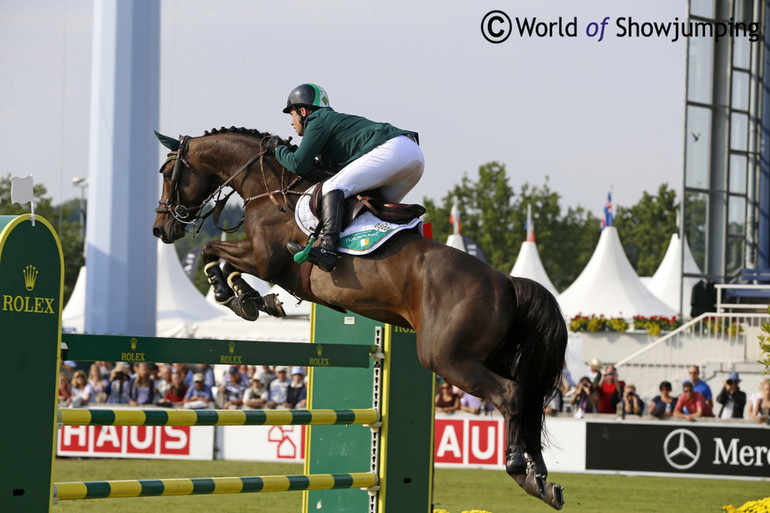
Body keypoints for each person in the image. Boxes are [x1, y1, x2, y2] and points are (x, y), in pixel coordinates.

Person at [268, 83, 425, 272]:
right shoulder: (329, 124)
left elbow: (297, 164)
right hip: (413, 157)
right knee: (372, 213)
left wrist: (278, 148)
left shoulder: (317, 118)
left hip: (394, 150)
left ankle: (327, 250)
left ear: (303, 110)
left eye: (292, 115)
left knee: (332, 187)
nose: (291, 122)